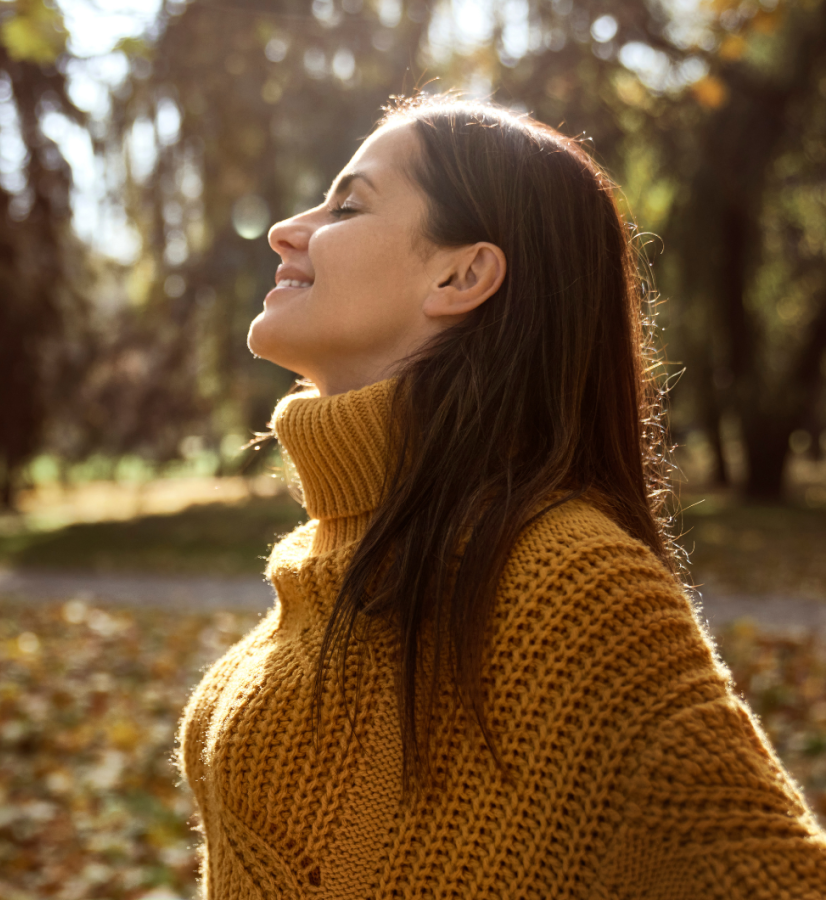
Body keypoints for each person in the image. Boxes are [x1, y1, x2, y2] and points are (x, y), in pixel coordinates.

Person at [177, 94, 826, 898]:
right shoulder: (338, 548)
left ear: (464, 273)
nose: (286, 229)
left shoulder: (576, 583)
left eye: (347, 204)